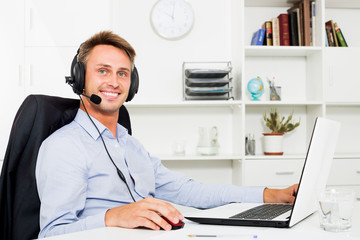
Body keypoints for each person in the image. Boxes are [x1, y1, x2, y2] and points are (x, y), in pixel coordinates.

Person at [35, 31, 298, 238]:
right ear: (80, 78)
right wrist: (112, 216)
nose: (114, 82)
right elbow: (52, 233)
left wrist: (270, 196)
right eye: (103, 70)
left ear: (132, 84)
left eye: (123, 73)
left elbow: (190, 191)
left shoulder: (131, 147)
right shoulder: (64, 147)